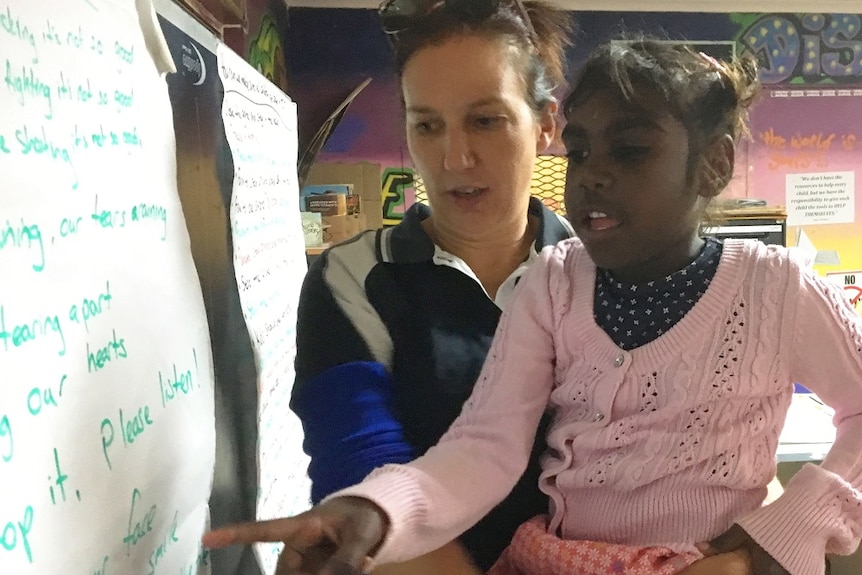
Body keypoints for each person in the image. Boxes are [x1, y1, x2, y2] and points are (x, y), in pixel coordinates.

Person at [204, 39, 862, 575]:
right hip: (558, 559)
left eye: (630, 150)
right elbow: (485, 446)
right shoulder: (555, 281)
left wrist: (778, 537)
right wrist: (377, 512)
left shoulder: (775, 287)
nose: (593, 174)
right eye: (580, 152)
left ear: (713, 167)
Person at [207, 1, 575, 574]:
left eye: (485, 120)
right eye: (426, 125)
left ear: (546, 124)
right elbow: (360, 468)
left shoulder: (602, 278)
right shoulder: (351, 278)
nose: (455, 157)